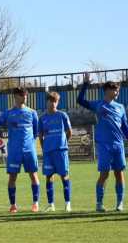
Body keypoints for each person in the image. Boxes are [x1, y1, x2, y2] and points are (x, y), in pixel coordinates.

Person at [77, 72, 128, 212]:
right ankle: (99, 203)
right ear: (106, 90)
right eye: (114, 89)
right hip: (104, 145)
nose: (117, 91)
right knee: (104, 173)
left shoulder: (121, 107)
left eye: (118, 89)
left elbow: (125, 127)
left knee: (119, 173)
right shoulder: (98, 105)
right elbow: (80, 100)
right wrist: (86, 84)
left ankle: (119, 203)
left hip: (118, 145)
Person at [0, 87, 40, 213]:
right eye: (21, 95)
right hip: (14, 150)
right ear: (15, 96)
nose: (24, 97)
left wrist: (29, 143)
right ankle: (13, 205)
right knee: (12, 177)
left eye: (25, 95)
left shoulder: (32, 113)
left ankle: (35, 203)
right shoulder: (8, 112)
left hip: (29, 150)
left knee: (33, 175)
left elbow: (36, 132)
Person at [38, 92, 72, 212]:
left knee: (64, 176)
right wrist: (44, 148)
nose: (52, 103)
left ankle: (68, 203)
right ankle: (50, 204)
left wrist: (63, 143)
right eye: (50, 101)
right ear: (46, 102)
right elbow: (40, 136)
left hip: (60, 151)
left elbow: (69, 132)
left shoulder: (62, 115)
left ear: (57, 102)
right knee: (48, 177)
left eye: (55, 101)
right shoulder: (42, 118)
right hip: (48, 152)